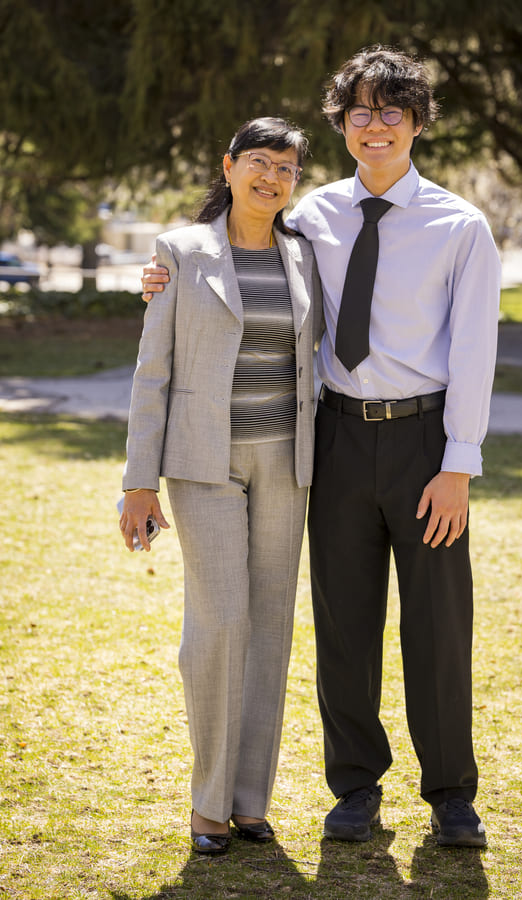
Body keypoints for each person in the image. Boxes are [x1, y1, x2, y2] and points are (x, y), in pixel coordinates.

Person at [141, 46, 501, 849]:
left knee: (440, 624)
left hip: (425, 442)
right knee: (343, 623)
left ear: (417, 125)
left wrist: (458, 464)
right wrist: (158, 275)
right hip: (332, 438)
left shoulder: (460, 225)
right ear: (344, 124)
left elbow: (476, 349)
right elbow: (230, 241)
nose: (376, 128)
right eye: (361, 113)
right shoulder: (310, 216)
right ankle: (356, 789)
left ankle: (450, 796)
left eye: (393, 114)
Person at [120, 116, 322, 856]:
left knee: (269, 629)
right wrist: (138, 483)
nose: (272, 178)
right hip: (202, 464)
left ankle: (248, 801)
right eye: (260, 163)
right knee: (219, 623)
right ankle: (207, 804)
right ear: (230, 166)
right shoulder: (181, 250)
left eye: (287, 169)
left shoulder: (306, 255)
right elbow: (154, 372)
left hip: (287, 463)